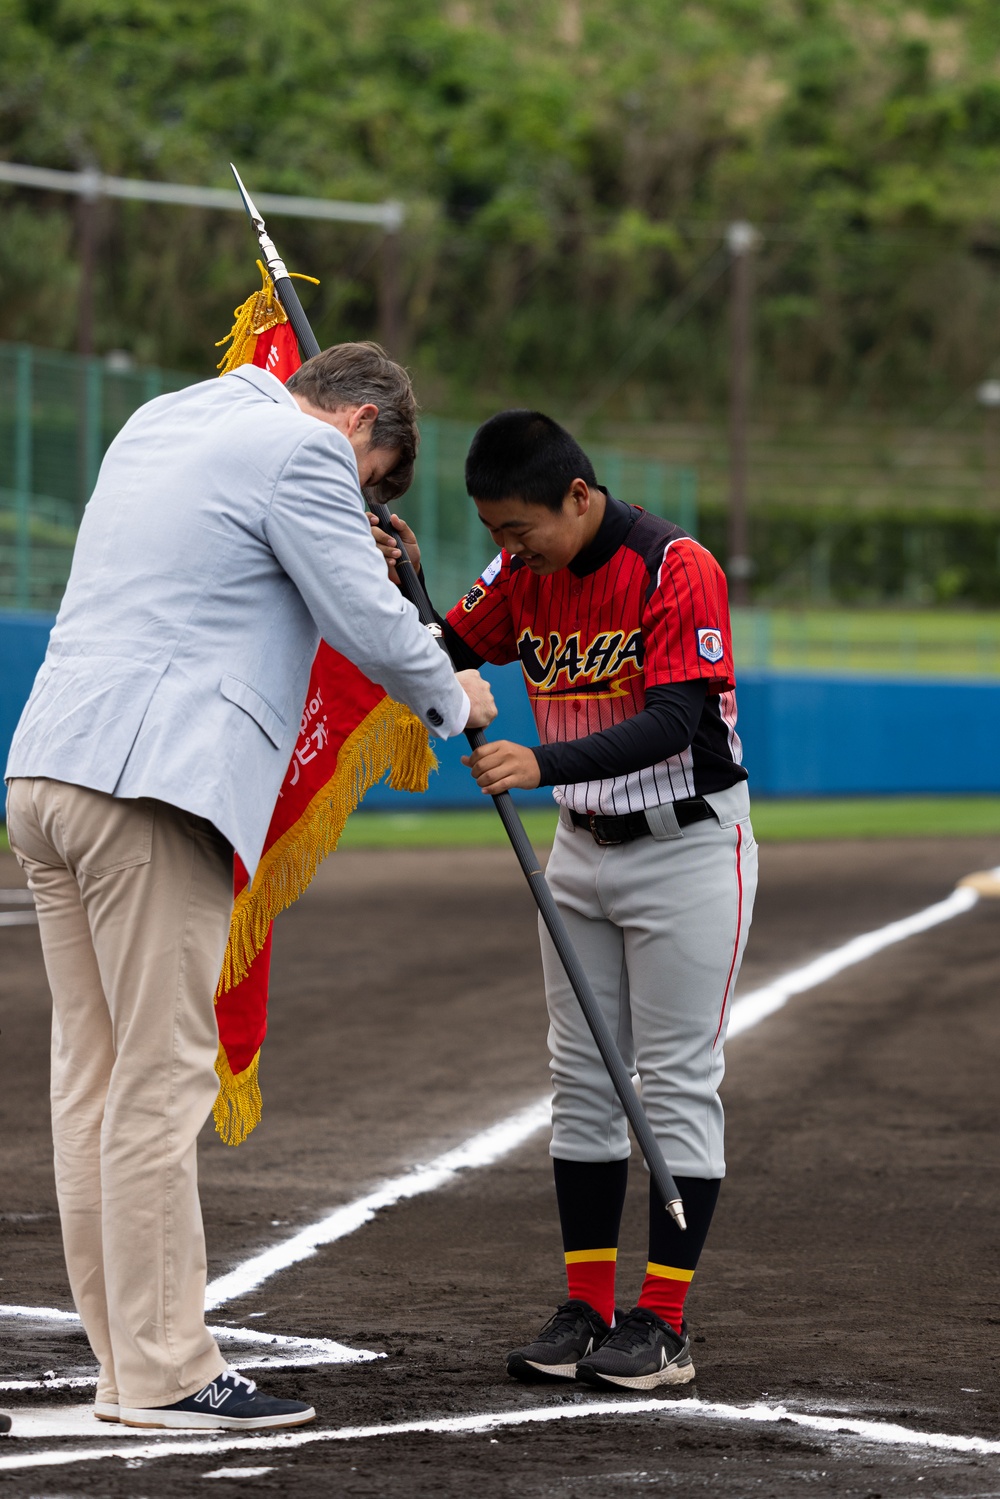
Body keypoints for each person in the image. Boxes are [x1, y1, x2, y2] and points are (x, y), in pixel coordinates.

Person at [4, 343, 496, 1431]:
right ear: (364, 420)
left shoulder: (163, 417)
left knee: (90, 1080)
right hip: (152, 783)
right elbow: (366, 622)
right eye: (372, 474)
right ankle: (170, 1370)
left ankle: (127, 1363)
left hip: (48, 769)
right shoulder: (305, 456)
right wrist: (454, 694)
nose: (359, 491)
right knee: (161, 1076)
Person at [373, 409, 756, 1392]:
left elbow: (675, 719)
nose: (510, 552)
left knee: (672, 1077)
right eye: (496, 534)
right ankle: (587, 1305)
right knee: (581, 1078)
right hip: (579, 848)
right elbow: (450, 644)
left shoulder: (676, 565)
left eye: (519, 530)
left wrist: (540, 760)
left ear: (578, 496)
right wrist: (403, 586)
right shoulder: (522, 572)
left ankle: (661, 1324)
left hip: (687, 844)